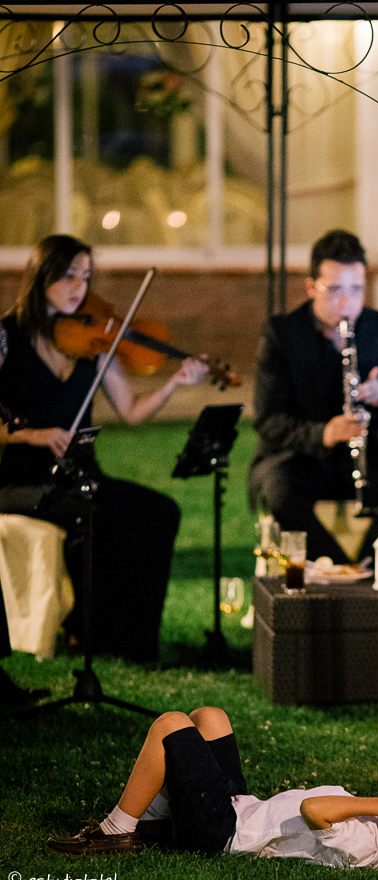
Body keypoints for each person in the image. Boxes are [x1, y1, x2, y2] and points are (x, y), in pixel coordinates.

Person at [0, 234, 207, 665]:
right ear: (41, 277)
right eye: (70, 275)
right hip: (21, 480)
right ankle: (86, 630)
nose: (81, 286)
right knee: (88, 514)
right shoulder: (8, 337)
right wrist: (31, 435)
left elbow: (131, 411)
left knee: (158, 511)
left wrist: (173, 383)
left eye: (87, 276)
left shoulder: (96, 340)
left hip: (81, 475)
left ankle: (133, 640)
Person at [47, 704, 378, 868]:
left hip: (224, 832)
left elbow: (315, 812)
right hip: (242, 806)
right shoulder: (377, 832)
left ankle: (117, 831)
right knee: (210, 717)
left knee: (171, 726)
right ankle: (160, 819)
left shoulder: (366, 846)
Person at [248, 229, 378, 564]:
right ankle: (336, 570)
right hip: (295, 459)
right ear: (311, 287)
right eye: (334, 290)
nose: (347, 303)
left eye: (356, 290)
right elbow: (268, 420)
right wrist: (325, 433)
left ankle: (370, 564)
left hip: (363, 460)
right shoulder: (283, 334)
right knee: (283, 494)